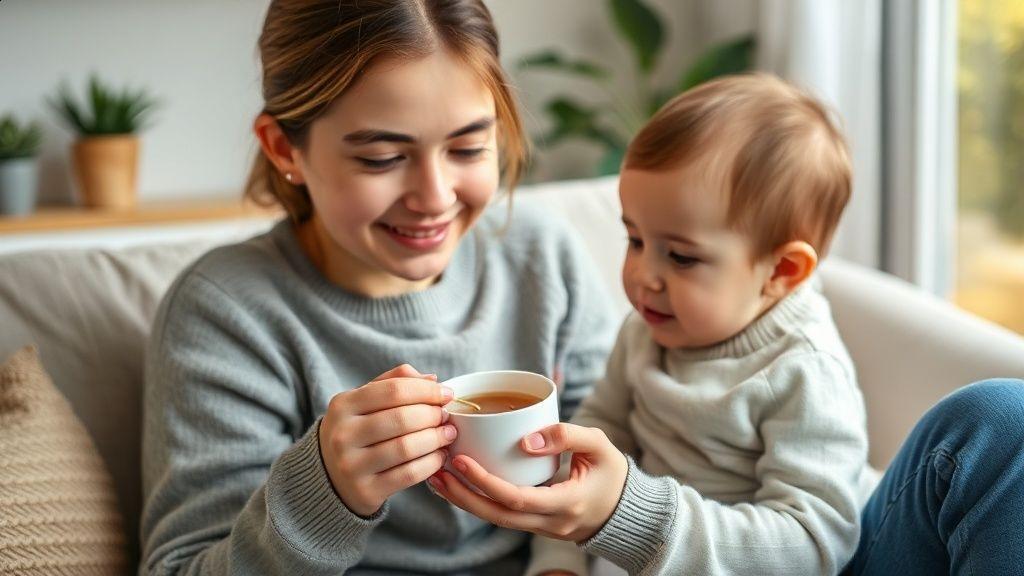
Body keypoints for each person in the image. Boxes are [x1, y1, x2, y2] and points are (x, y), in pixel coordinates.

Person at [429, 75, 1024, 576]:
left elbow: (817, 547)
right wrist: (557, 560)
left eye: (681, 256)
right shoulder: (647, 333)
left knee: (1003, 419)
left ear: (782, 271)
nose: (642, 275)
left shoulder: (800, 368)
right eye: (635, 239)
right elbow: (581, 450)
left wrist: (624, 512)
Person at [138, 1, 618, 574]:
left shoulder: (541, 256)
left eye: (468, 148)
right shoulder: (227, 312)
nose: (435, 196)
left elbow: (627, 448)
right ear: (284, 148)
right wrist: (322, 496)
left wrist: (597, 519)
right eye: (382, 157)